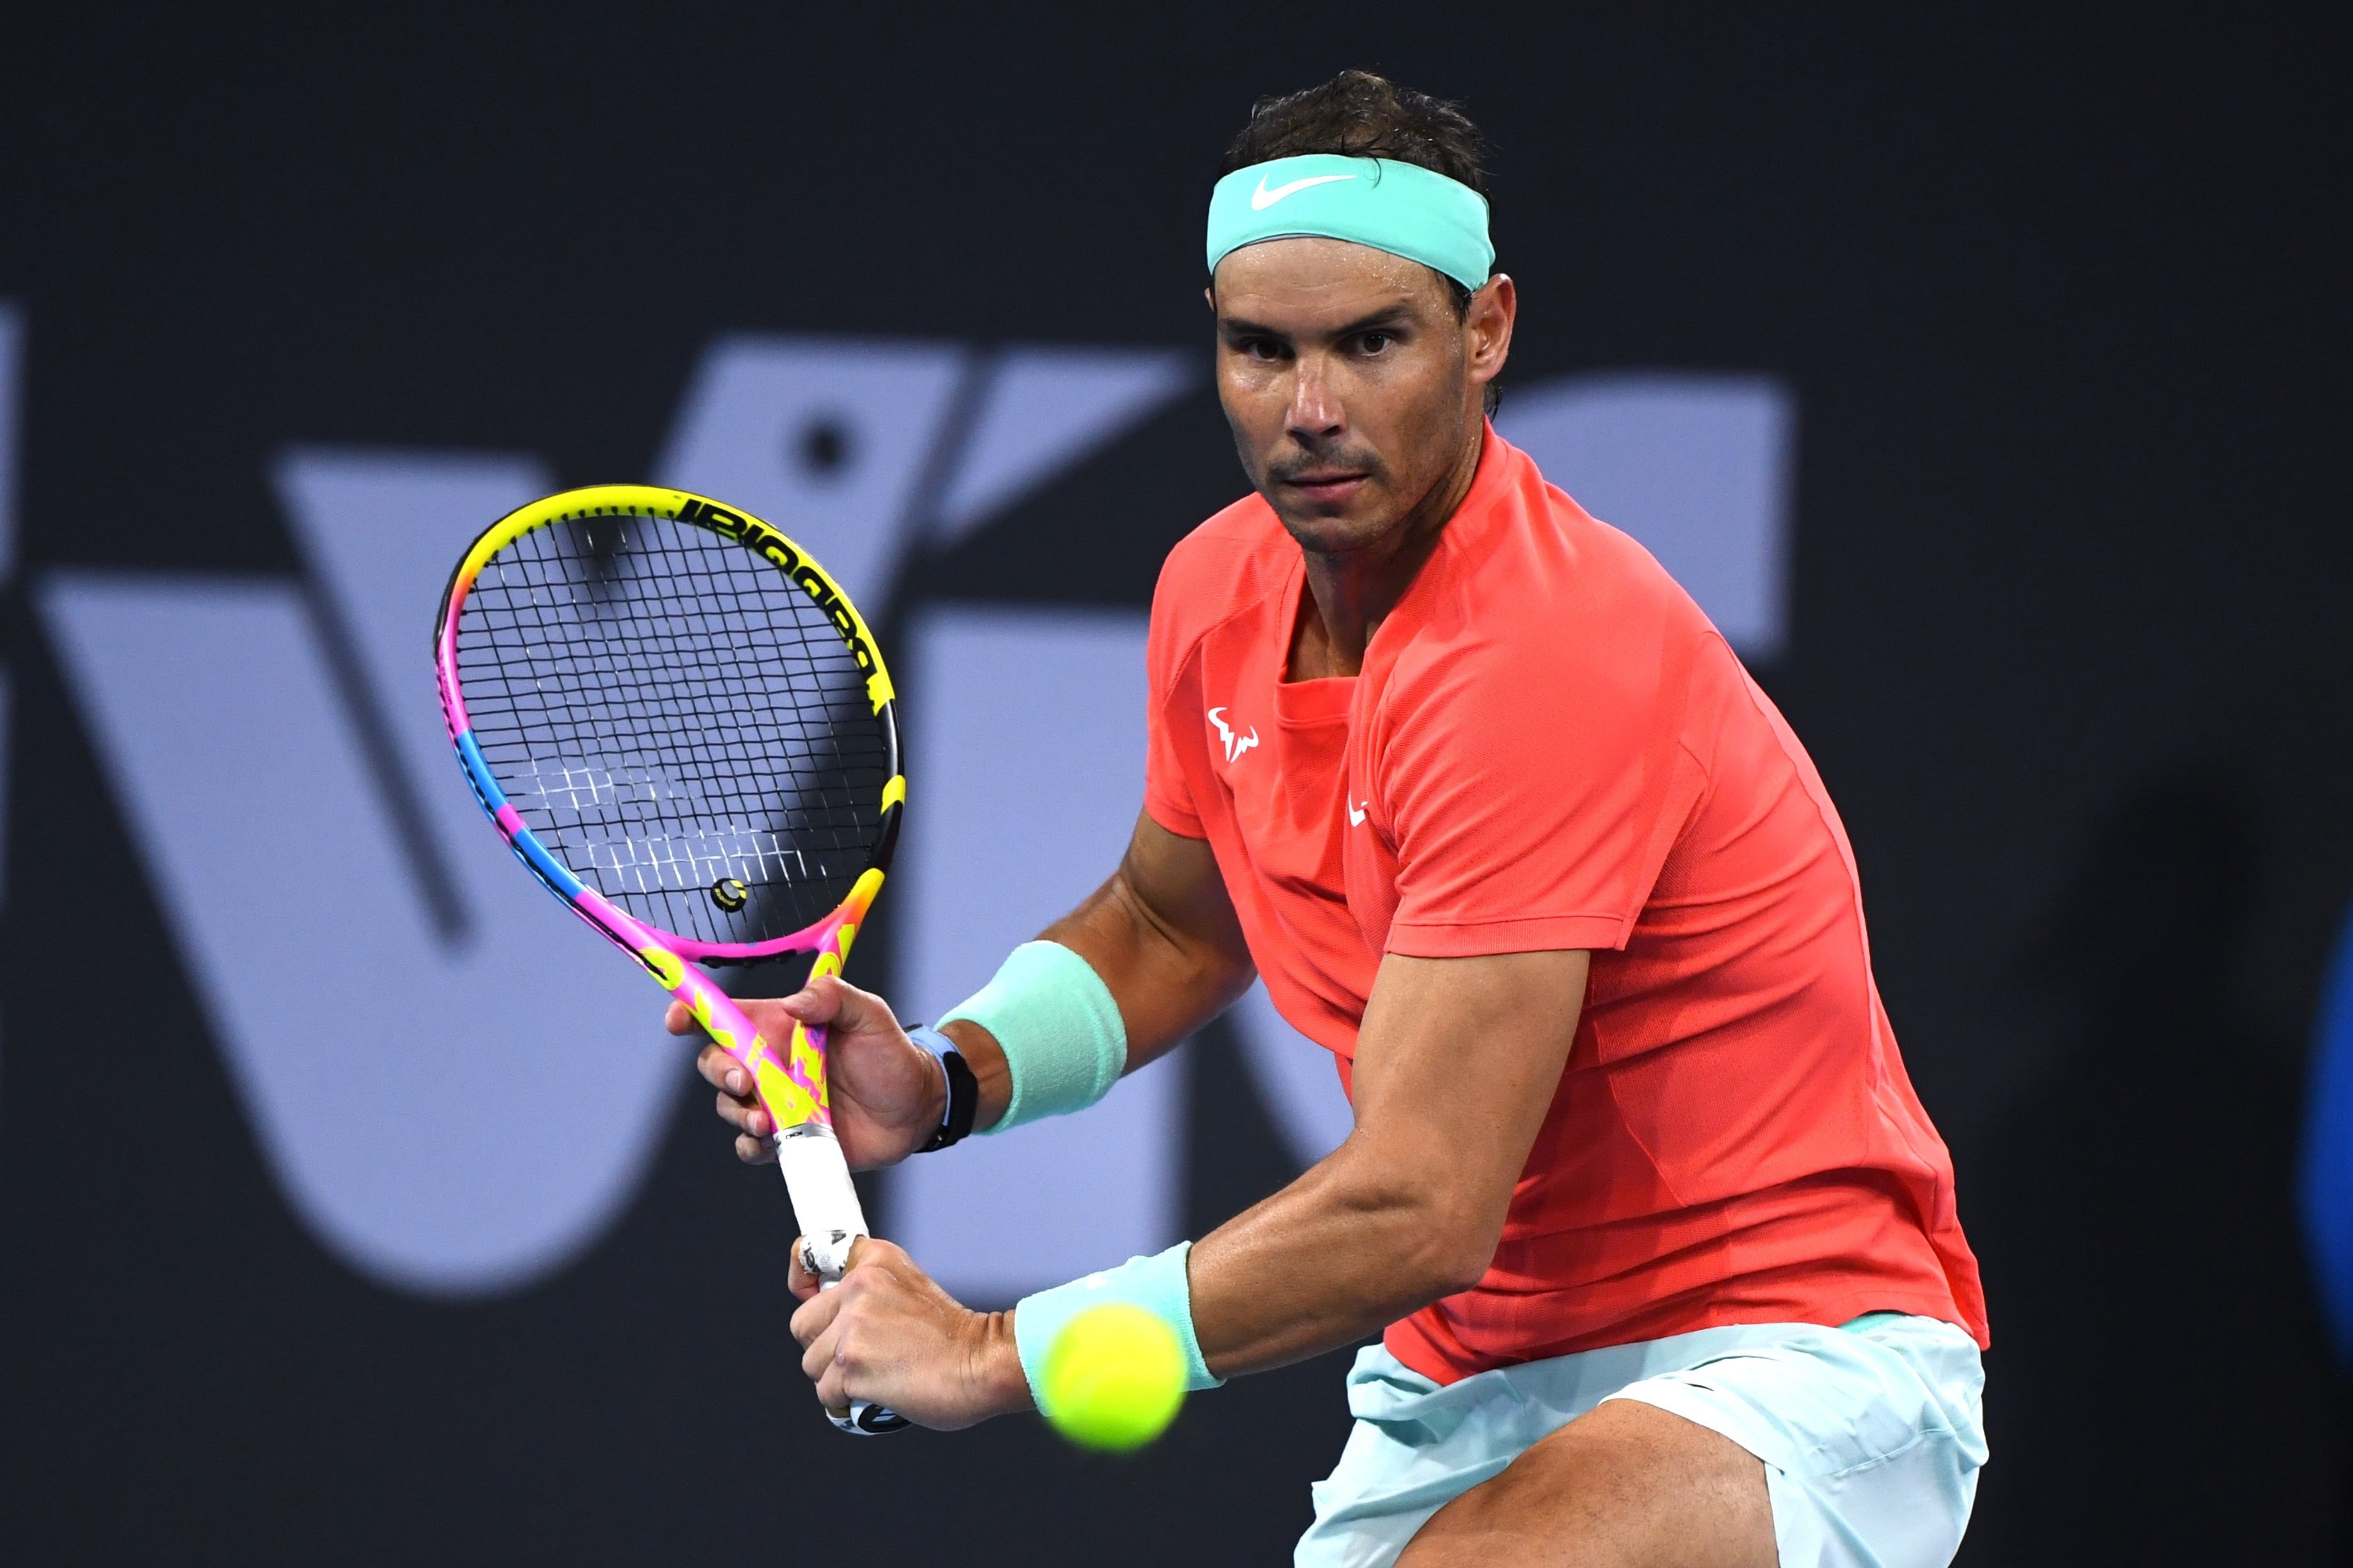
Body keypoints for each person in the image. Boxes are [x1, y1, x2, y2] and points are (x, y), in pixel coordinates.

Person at [673, 70, 1989, 1567]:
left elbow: (1421, 1208)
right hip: (1467, 1381)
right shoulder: (1216, 589)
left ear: (1485, 332)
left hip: (1779, 1349)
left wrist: (990, 1352)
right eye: (1262, 349)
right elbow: (1175, 919)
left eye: (1373, 344)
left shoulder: (1539, 661)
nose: (1311, 412)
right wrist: (946, 1079)